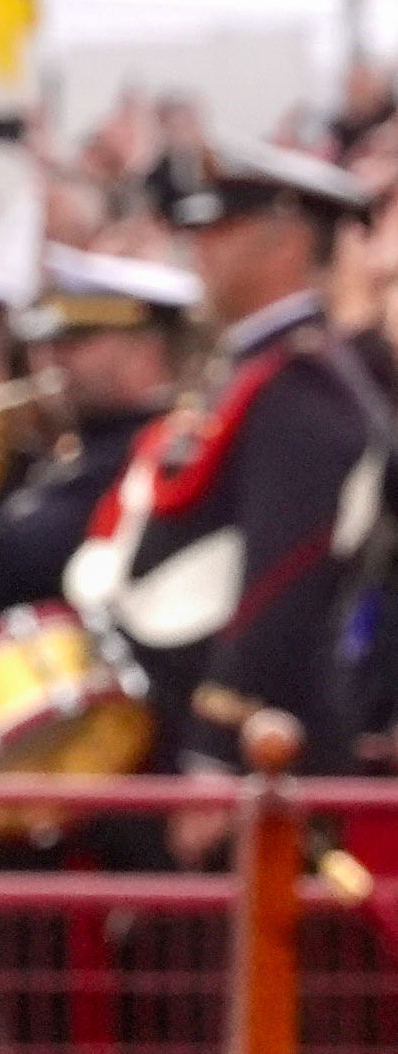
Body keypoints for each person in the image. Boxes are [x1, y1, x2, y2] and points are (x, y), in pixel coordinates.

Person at [87, 137, 386, 813]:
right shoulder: (259, 371)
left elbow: (283, 579)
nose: (201, 249)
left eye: (222, 230)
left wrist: (218, 755)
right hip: (199, 730)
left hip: (264, 760)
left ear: (283, 244)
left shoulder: (301, 384)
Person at [0, 248, 196, 618]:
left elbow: (11, 567)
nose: (54, 358)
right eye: (50, 343)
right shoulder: (81, 446)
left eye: (77, 339)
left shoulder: (154, 448)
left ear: (144, 347)